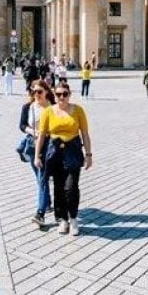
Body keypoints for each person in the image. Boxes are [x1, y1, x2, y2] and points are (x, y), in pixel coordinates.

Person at [33, 84, 92, 236]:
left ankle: (73, 219)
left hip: (72, 152)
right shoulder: (48, 111)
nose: (61, 97)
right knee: (58, 188)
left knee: (71, 188)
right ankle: (62, 219)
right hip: (54, 153)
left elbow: (85, 133)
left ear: (69, 94)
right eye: (58, 94)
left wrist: (89, 154)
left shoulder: (78, 110)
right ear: (54, 94)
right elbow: (41, 135)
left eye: (64, 94)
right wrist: (37, 156)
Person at [20, 81, 53, 226]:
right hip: (32, 145)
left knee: (42, 178)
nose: (36, 94)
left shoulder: (52, 107)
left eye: (39, 91)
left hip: (47, 146)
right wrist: (33, 131)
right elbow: (21, 125)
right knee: (40, 178)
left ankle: (40, 213)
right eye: (34, 91)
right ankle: (47, 202)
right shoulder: (28, 107)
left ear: (46, 91)